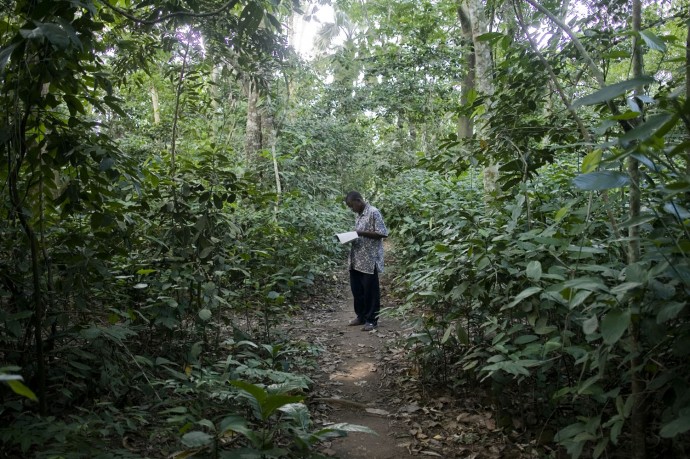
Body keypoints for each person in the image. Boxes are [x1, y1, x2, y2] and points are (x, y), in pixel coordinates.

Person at [344, 191, 389, 331]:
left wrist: (360, 233)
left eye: (352, 206)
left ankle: (372, 320)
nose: (352, 209)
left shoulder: (373, 212)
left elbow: (383, 233)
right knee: (357, 290)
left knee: (370, 291)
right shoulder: (358, 214)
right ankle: (361, 316)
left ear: (358, 201)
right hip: (356, 259)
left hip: (370, 259)